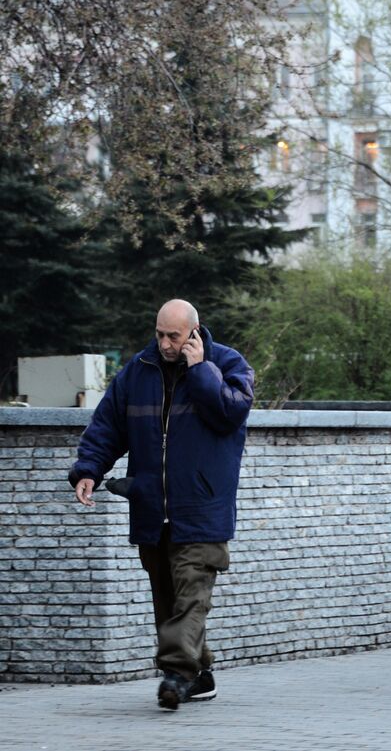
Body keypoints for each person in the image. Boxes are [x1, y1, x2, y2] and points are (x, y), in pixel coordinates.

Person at [69, 300, 253, 710]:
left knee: (191, 596)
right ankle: (199, 674)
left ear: (194, 332)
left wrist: (201, 370)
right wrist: (88, 470)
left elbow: (231, 413)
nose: (166, 344)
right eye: (160, 334)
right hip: (153, 507)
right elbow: (108, 426)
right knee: (168, 599)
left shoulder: (227, 363)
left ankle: (175, 674)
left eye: (174, 336)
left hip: (203, 507)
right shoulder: (138, 370)